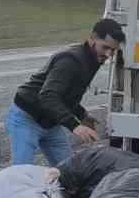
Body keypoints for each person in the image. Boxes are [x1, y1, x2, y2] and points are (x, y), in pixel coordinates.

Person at [8, 18, 125, 166]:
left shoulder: (93, 59)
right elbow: (48, 96)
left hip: (51, 122)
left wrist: (82, 115)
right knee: (20, 174)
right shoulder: (71, 60)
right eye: (105, 47)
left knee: (69, 171)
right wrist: (75, 125)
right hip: (27, 118)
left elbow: (67, 95)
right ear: (92, 38)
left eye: (113, 50)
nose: (109, 54)